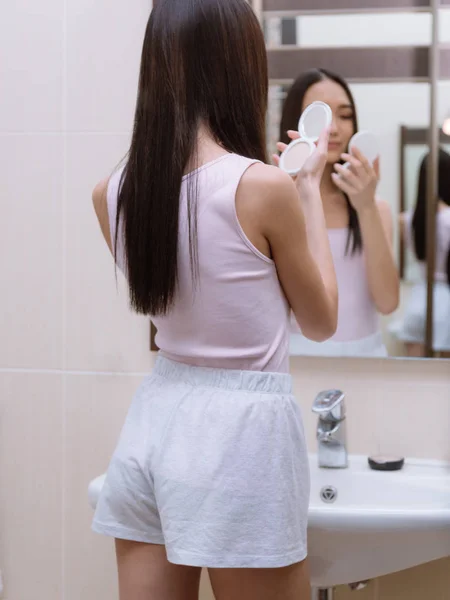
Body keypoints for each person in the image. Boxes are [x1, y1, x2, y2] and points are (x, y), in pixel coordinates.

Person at [90, 2, 338, 599]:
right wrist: (307, 190)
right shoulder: (261, 186)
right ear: (238, 64)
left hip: (153, 424)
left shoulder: (114, 193)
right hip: (242, 443)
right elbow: (322, 320)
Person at [276, 69, 399, 357]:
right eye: (321, 117)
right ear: (297, 121)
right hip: (298, 358)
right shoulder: (278, 200)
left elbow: (388, 302)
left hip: (366, 358)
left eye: (344, 116)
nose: (333, 129)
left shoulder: (376, 207)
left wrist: (365, 206)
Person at [390, 149, 450, 357]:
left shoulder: (407, 220)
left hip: (419, 299)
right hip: (446, 301)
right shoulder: (448, 218)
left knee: (415, 376)